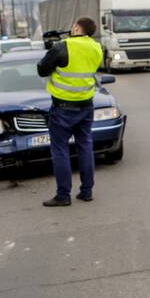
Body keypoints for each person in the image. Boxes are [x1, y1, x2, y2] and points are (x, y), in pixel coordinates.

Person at [36, 17, 104, 207]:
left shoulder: (62, 46)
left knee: (60, 150)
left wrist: (53, 47)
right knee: (85, 147)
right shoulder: (96, 47)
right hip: (86, 104)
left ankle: (63, 195)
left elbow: (42, 70)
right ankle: (87, 191)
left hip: (63, 108)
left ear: (75, 27)